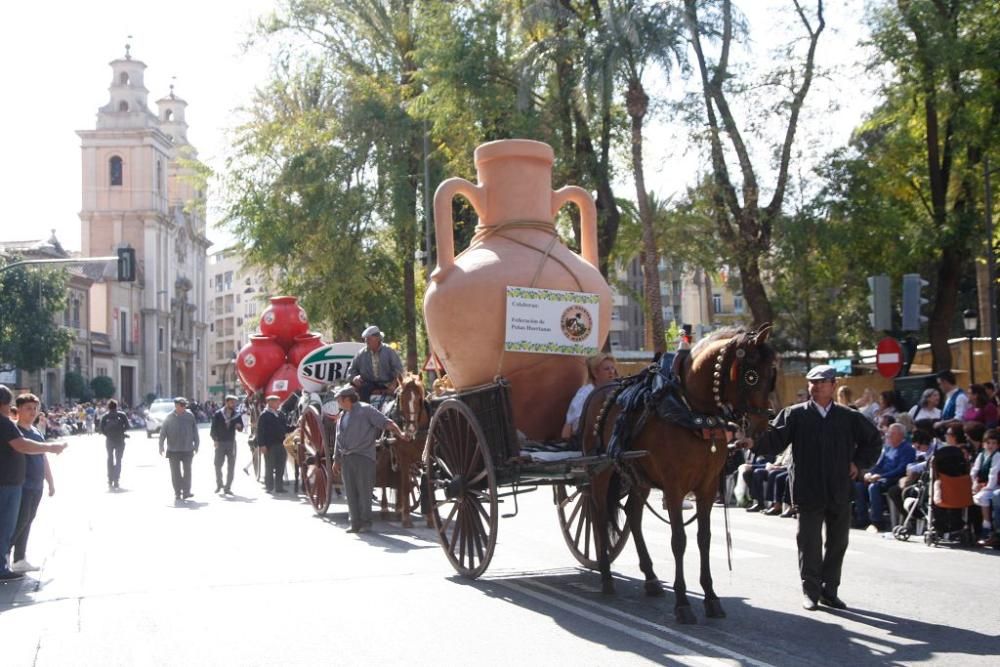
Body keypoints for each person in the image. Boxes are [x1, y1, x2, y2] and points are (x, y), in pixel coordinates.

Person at [745, 365, 881, 611]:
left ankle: (831, 590)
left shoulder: (848, 416)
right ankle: (811, 591)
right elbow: (773, 441)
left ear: (833, 385)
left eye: (821, 382)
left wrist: (858, 463)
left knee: (838, 542)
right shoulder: (794, 414)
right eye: (812, 382)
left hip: (839, 488)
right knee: (809, 542)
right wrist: (752, 441)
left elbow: (873, 440)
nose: (816, 386)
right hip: (808, 489)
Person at [0, 385, 66, 582]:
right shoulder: (6, 424)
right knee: (8, 525)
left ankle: (11, 560)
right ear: (9, 404)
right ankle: (4, 564)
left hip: (16, 483)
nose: (33, 412)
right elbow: (22, 446)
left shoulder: (18, 426)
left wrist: (50, 480)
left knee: (17, 523)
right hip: (10, 483)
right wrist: (52, 447)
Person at [330, 385, 410, 533]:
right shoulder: (342, 416)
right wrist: (336, 459)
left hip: (364, 457)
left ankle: (366, 523)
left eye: (339, 400)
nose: (338, 403)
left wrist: (401, 434)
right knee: (350, 492)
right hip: (347, 459)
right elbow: (338, 439)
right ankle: (354, 523)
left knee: (364, 491)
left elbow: (387, 422)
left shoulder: (366, 410)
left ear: (347, 399)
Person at [9, 394, 54, 574]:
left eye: (35, 408)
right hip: (22, 485)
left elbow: (43, 458)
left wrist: (50, 481)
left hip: (36, 485)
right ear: (18, 409)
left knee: (28, 521)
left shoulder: (36, 432)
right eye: (28, 408)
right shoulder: (15, 432)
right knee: (19, 521)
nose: (33, 412)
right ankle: (4, 553)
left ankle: (19, 559)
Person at [852, 423, 916, 532]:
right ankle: (862, 518)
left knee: (874, 487)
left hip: (894, 478)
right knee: (859, 486)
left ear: (900, 435)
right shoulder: (888, 448)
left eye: (891, 434)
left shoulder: (907, 449)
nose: (888, 436)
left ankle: (877, 521)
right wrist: (870, 473)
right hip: (881, 477)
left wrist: (881, 476)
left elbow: (901, 469)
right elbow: (879, 465)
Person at [561, 353, 618, 440]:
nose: (611, 372)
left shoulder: (616, 390)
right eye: (606, 369)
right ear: (595, 373)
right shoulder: (585, 393)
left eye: (612, 368)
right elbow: (574, 424)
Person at [347, 325, 405, 403]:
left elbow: (399, 370)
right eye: (365, 339)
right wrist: (354, 378)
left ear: (377, 338)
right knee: (359, 392)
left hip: (388, 384)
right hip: (368, 385)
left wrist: (394, 384)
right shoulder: (361, 354)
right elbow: (351, 371)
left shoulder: (389, 351)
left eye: (369, 339)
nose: (366, 341)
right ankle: (364, 413)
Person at [158, 397, 199, 501]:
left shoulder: (190, 416)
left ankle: (186, 492)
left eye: (185, 405)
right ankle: (177, 492)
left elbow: (195, 431)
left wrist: (197, 445)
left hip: (187, 449)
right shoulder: (169, 417)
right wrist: (161, 446)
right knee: (175, 473)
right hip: (173, 450)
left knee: (187, 471)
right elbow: (163, 433)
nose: (184, 407)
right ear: (176, 405)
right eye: (182, 405)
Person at [256, 395, 292, 493]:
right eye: (276, 402)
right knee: (269, 466)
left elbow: (286, 427)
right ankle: (269, 486)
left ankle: (279, 487)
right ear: (270, 402)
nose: (278, 403)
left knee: (280, 466)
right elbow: (260, 431)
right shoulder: (264, 415)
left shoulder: (280, 414)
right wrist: (262, 445)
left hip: (281, 444)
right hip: (270, 445)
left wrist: (295, 427)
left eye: (278, 401)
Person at [211, 395, 244, 495]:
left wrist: (239, 427)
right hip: (220, 443)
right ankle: (219, 484)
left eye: (234, 402)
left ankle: (227, 487)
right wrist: (215, 440)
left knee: (231, 466)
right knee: (217, 465)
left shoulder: (236, 415)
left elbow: (241, 427)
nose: (233, 404)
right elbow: (213, 429)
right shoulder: (218, 414)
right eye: (232, 402)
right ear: (227, 402)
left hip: (231, 443)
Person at [971, 429, 1000, 538]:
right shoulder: (981, 455)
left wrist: (986, 488)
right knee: (970, 497)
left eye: (993, 443)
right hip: (981, 484)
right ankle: (971, 526)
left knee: (981, 497)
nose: (990, 446)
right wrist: (974, 485)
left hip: (994, 486)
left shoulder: (997, 456)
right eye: (988, 443)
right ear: (983, 444)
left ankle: (986, 524)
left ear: (997, 445)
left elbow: (994, 473)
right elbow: (974, 471)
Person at [99, 399, 130, 489]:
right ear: (116, 406)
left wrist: (108, 434)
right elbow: (127, 426)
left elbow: (101, 429)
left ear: (108, 407)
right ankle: (116, 479)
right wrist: (121, 432)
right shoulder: (122, 415)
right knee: (118, 460)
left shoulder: (105, 416)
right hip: (120, 439)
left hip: (109, 440)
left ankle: (110, 479)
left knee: (110, 458)